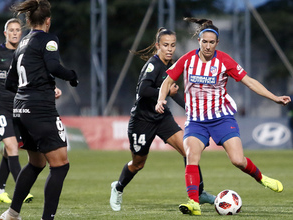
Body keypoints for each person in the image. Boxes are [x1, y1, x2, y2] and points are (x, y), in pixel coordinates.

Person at [155, 18, 291, 216]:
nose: (208, 46)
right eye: (204, 42)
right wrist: (160, 100)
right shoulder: (187, 60)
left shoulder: (224, 60)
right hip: (196, 121)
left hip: (222, 119)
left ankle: (262, 179)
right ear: (199, 41)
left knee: (237, 160)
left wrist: (274, 98)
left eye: (212, 42)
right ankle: (193, 202)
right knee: (191, 157)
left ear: (216, 43)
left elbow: (250, 82)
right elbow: (167, 82)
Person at [110, 27, 215, 212]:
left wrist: (192, 110)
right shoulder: (154, 64)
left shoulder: (170, 65)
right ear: (158, 45)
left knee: (188, 150)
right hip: (142, 121)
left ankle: (199, 193)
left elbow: (173, 92)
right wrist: (164, 92)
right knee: (138, 164)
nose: (170, 49)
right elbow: (142, 91)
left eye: (173, 45)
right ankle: (118, 187)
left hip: (161, 117)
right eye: (166, 45)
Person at [0, 0, 78, 219]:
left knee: (36, 163)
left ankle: (12, 213)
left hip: (20, 109)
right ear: (48, 21)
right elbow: (54, 66)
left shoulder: (22, 43)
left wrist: (41, 86)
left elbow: (10, 83)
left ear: (27, 20)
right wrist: (72, 76)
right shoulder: (48, 39)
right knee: (61, 165)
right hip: (40, 111)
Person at [0, 18, 34, 204]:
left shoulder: (25, 54)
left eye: (18, 29)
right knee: (11, 147)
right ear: (5, 33)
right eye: (12, 30)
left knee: (10, 150)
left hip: (18, 108)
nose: (15, 33)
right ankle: (22, 190)